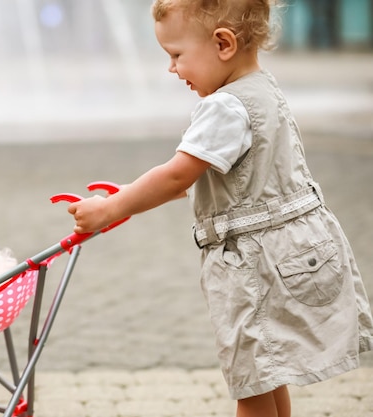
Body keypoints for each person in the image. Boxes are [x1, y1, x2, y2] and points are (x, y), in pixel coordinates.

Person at [66, 1, 373, 416]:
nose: (172, 69)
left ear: (223, 44)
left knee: (250, 383)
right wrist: (130, 192)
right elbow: (226, 180)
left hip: (253, 266)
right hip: (290, 252)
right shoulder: (264, 89)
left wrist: (113, 208)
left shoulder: (225, 107)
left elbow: (178, 175)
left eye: (176, 55)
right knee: (268, 372)